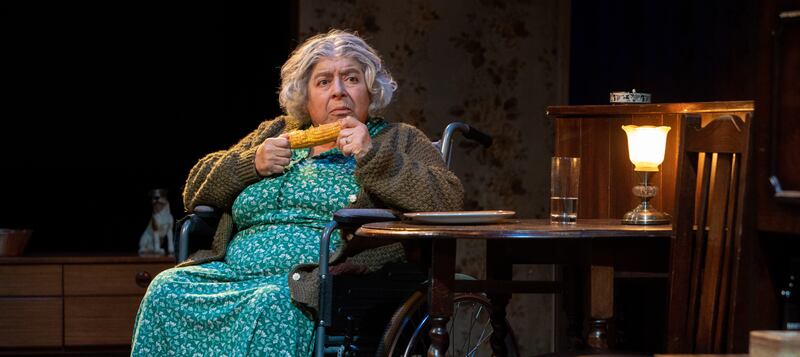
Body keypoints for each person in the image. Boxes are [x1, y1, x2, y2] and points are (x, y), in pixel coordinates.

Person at [131, 29, 463, 356]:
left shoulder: (397, 139)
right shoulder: (276, 132)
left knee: (269, 303)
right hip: (232, 273)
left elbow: (446, 199)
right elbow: (194, 190)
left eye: (350, 78)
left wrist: (372, 155)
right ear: (304, 96)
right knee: (164, 289)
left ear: (370, 89)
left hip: (315, 281)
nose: (338, 92)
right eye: (323, 82)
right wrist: (252, 163)